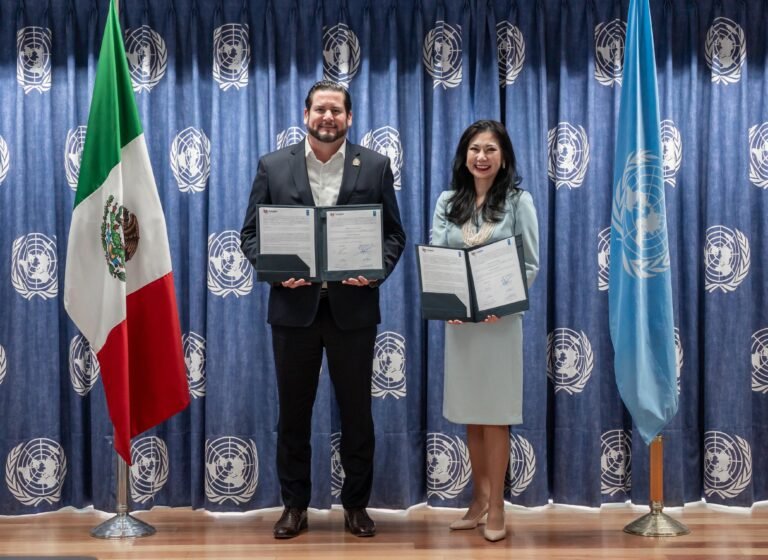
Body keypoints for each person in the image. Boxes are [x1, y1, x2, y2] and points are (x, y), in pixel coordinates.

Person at [240, 80, 406, 539]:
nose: (327, 117)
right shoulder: (273, 166)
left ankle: (356, 506)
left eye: (336, 110)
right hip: (294, 312)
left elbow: (394, 234)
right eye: (320, 109)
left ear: (349, 118)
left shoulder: (375, 166)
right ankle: (294, 506)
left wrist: (375, 271)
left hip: (354, 311)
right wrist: (275, 272)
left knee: (357, 416)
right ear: (306, 115)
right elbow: (250, 235)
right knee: (293, 417)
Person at [430, 120, 539, 542]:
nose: (482, 157)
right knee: (471, 416)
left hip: (499, 325)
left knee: (495, 417)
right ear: (464, 156)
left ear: (504, 158)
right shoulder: (447, 202)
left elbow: (529, 264)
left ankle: (498, 506)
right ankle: (477, 500)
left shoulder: (518, 202)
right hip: (462, 326)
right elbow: (438, 258)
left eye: (491, 149)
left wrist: (500, 301)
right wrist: (447, 303)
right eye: (475, 149)